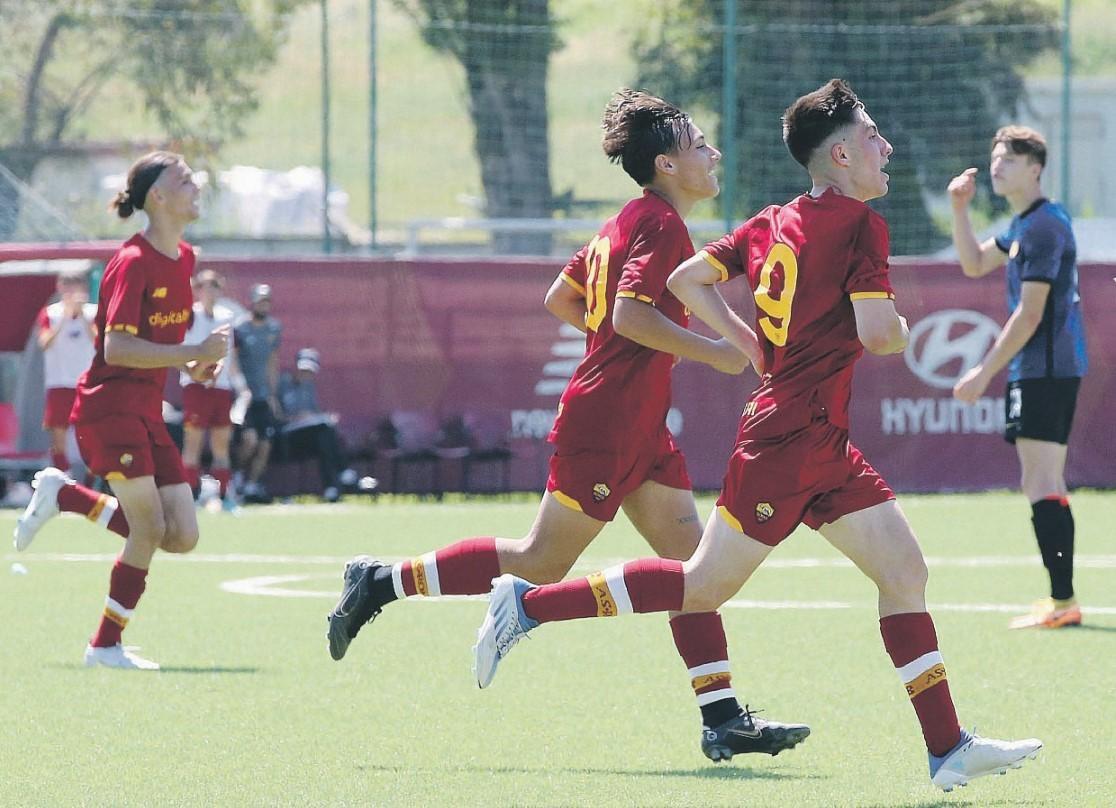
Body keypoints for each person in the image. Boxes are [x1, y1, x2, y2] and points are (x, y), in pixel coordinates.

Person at [473, 79, 1043, 792]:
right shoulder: (861, 227)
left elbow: (686, 279)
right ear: (840, 154)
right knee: (701, 585)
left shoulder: (773, 219)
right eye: (872, 137)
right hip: (789, 442)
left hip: (817, 440)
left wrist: (747, 342)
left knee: (904, 573)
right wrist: (895, 329)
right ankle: (525, 604)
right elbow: (880, 335)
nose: (885, 146)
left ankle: (947, 748)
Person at [326, 88, 809, 761]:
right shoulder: (661, 225)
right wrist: (715, 352)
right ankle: (379, 581)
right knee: (539, 562)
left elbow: (563, 296)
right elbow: (628, 318)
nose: (714, 152)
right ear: (667, 164)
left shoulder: (630, 221)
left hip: (636, 423)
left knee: (693, 570)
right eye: (700, 144)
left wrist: (622, 355)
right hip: (608, 420)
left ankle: (722, 717)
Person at [13, 150, 228, 669]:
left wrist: (191, 371)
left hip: (146, 411)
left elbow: (157, 348)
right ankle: (104, 645)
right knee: (149, 530)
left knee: (183, 535)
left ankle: (66, 496)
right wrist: (192, 354)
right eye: (183, 179)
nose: (195, 184)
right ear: (157, 196)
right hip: (108, 408)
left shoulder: (186, 259)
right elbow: (117, 349)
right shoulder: (132, 262)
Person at [948, 126, 1088, 630]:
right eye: (994, 157)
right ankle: (1062, 598)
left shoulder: (1044, 227)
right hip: (1042, 368)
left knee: (1042, 479)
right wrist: (961, 210)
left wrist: (983, 371)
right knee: (1041, 479)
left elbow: (1030, 315)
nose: (996, 165)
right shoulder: (1026, 223)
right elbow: (973, 263)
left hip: (1047, 368)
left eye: (1008, 157)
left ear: (1035, 167)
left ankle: (1064, 601)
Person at [179, 268, 241, 510]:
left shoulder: (226, 316)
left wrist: (235, 382)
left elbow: (228, 353)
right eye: (204, 286)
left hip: (220, 387)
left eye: (214, 286)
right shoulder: (189, 315)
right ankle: (190, 495)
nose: (209, 292)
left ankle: (225, 495)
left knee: (221, 443)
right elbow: (181, 349)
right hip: (195, 387)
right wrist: (197, 371)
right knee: (192, 442)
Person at [35, 271, 98, 474]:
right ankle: (63, 477)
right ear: (60, 288)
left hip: (86, 382)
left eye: (76, 286)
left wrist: (81, 317)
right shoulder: (51, 313)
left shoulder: (93, 312)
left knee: (92, 435)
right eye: (67, 286)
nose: (71, 292)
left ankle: (92, 482)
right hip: (59, 382)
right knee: (58, 435)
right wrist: (64, 318)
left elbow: (99, 342)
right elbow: (44, 343)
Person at [276, 348, 349, 503]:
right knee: (325, 435)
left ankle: (331, 488)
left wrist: (324, 417)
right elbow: (277, 415)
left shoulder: (309, 386)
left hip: (310, 437)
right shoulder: (281, 383)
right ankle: (343, 472)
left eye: (309, 371)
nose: (305, 374)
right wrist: (295, 417)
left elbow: (314, 412)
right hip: (287, 437)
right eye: (303, 369)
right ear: (295, 365)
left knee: (325, 437)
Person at [234, 283, 282, 504]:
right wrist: (241, 388)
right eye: (260, 300)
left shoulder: (273, 329)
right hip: (244, 397)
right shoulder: (240, 328)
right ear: (252, 302)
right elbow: (232, 360)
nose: (264, 305)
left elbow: (272, 361)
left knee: (265, 444)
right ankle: (236, 477)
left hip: (263, 396)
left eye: (267, 301)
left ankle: (251, 484)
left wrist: (273, 394)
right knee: (249, 440)